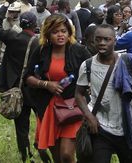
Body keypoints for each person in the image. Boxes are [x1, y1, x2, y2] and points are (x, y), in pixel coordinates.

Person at [75, 24, 132, 163]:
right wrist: (89, 116)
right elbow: (78, 94)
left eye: (107, 39)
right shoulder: (87, 65)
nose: (102, 43)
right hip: (100, 128)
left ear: (115, 41)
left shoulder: (128, 62)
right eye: (98, 39)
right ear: (93, 41)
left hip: (126, 129)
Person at [25, 14, 91, 163]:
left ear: (69, 32)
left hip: (73, 108)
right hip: (49, 109)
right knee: (57, 158)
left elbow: (93, 72)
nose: (60, 35)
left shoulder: (79, 51)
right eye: (55, 32)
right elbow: (28, 77)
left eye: (63, 31)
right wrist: (46, 84)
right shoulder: (42, 51)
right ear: (47, 34)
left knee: (67, 155)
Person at [0, 0, 47, 162]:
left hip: (17, 89)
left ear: (21, 25)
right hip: (35, 89)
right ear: (35, 24)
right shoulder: (40, 43)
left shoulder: (12, 37)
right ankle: (43, 147)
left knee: (21, 126)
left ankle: (25, 155)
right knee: (42, 121)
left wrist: (6, 6)